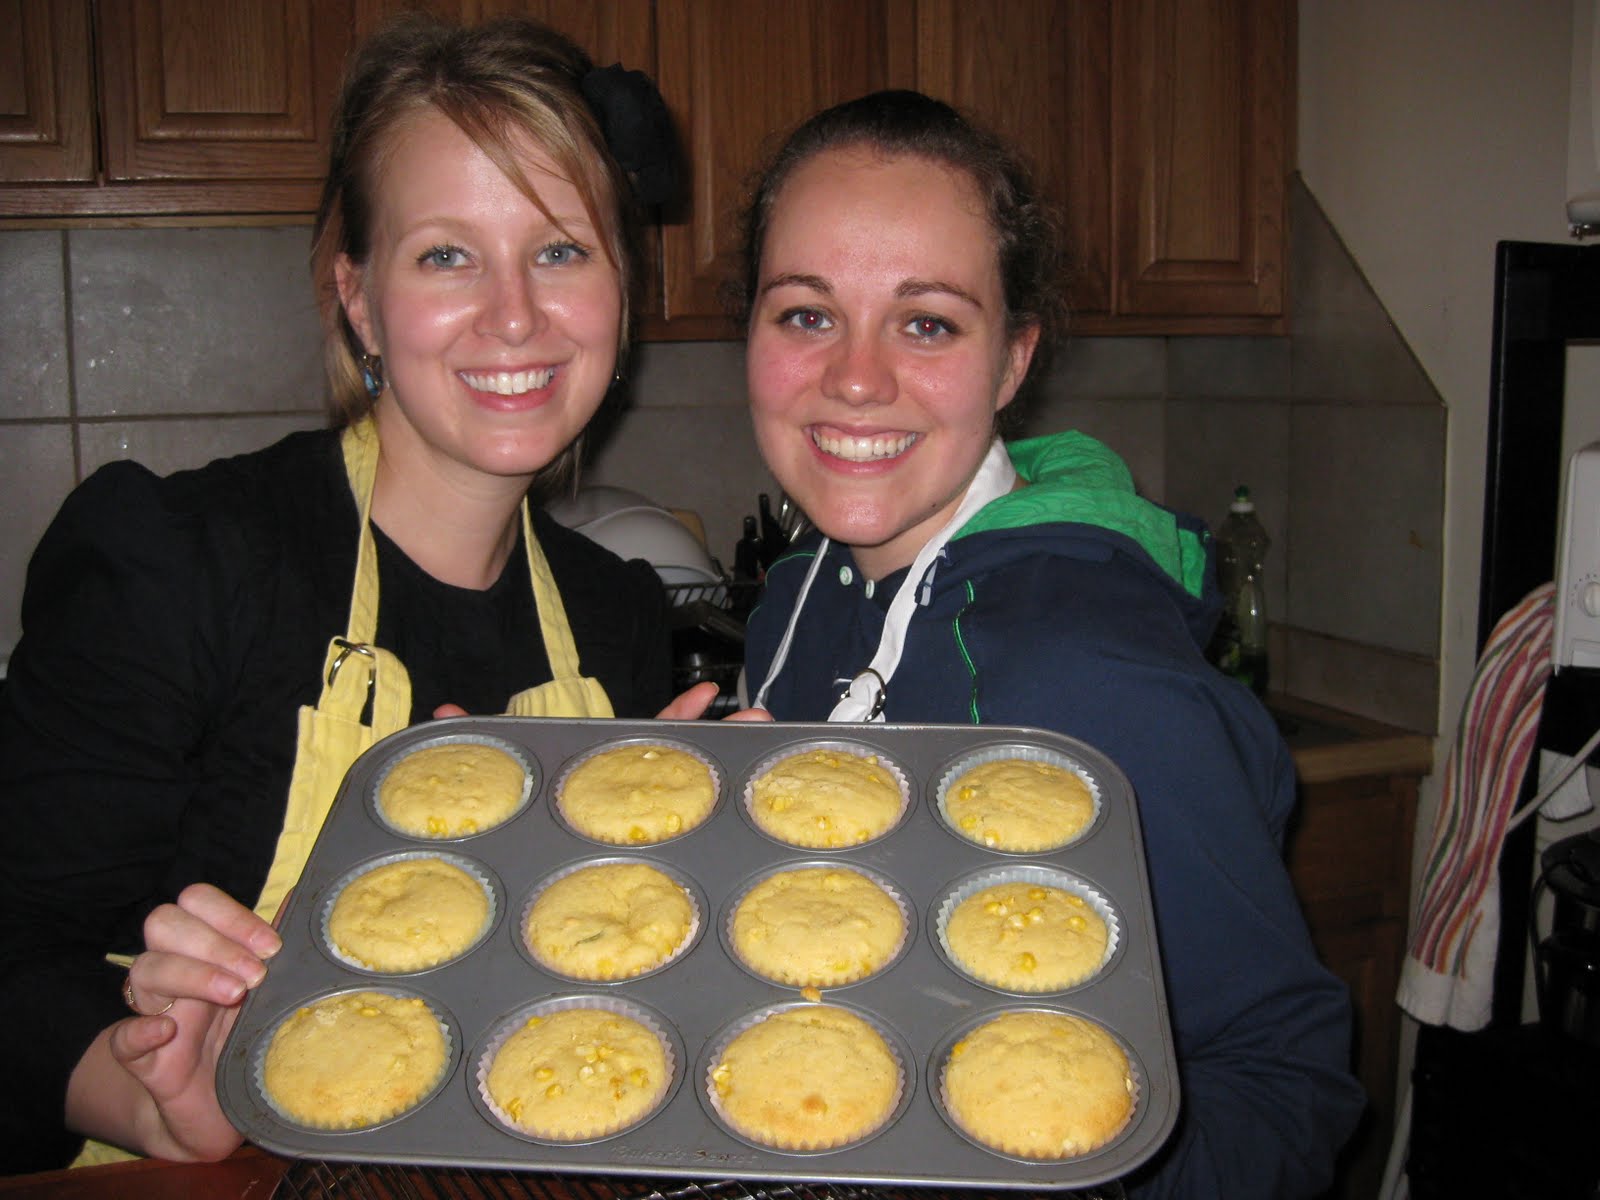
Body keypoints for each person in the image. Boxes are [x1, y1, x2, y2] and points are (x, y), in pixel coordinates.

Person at [0, 14, 713, 1173]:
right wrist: (154, 1103)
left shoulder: (616, 621)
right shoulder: (178, 563)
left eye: (559, 251)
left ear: (621, 291)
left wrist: (692, 888)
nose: (515, 314)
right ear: (360, 297)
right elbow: (15, 954)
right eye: (446, 256)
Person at [734, 90, 1365, 1199]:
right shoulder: (799, 595)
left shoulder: (1089, 678)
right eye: (805, 314)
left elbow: (1281, 1087)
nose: (856, 377)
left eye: (927, 322)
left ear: (1012, 360)